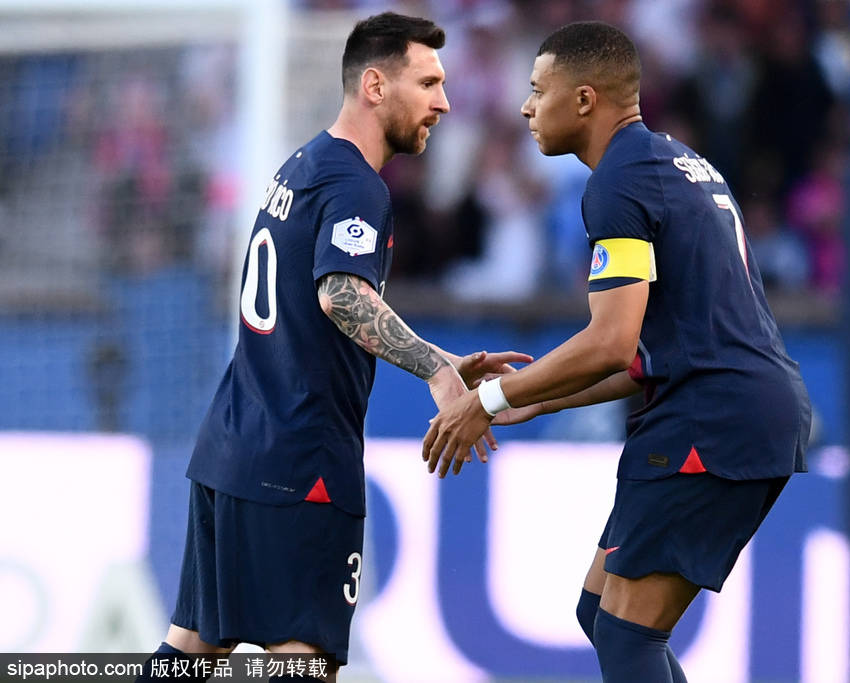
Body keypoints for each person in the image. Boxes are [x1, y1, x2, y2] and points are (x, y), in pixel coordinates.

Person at [138, 12, 530, 682]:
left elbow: (316, 301)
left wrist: (436, 354)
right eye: (428, 83)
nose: (443, 102)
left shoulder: (304, 164)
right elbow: (340, 294)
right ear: (375, 86)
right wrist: (436, 371)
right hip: (302, 463)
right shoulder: (357, 185)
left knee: (191, 654)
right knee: (303, 663)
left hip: (233, 446)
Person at [422, 21, 811, 683]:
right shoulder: (677, 164)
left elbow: (609, 341)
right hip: (734, 406)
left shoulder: (619, 182)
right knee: (601, 613)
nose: (526, 107)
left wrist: (485, 399)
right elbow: (645, 354)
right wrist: (537, 400)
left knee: (628, 635)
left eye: (538, 89)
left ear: (584, 100)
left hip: (709, 418)